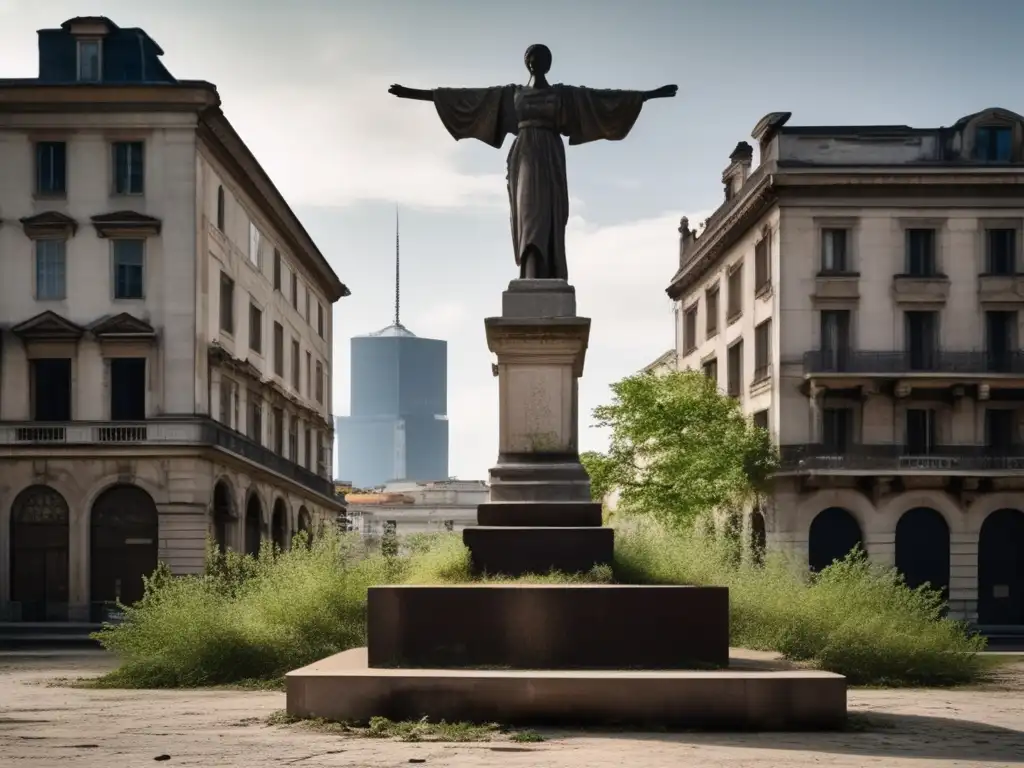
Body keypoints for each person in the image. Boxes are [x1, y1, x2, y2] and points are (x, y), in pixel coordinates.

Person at [389, 44, 677, 281]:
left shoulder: (562, 94)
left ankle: (547, 272)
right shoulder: (512, 94)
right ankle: (529, 273)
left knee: (550, 215)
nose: (535, 62)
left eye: (541, 58)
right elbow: (466, 99)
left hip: (550, 154)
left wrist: (648, 96)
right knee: (528, 214)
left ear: (547, 64)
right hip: (525, 154)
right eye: (532, 57)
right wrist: (414, 94)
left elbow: (601, 100)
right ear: (526, 62)